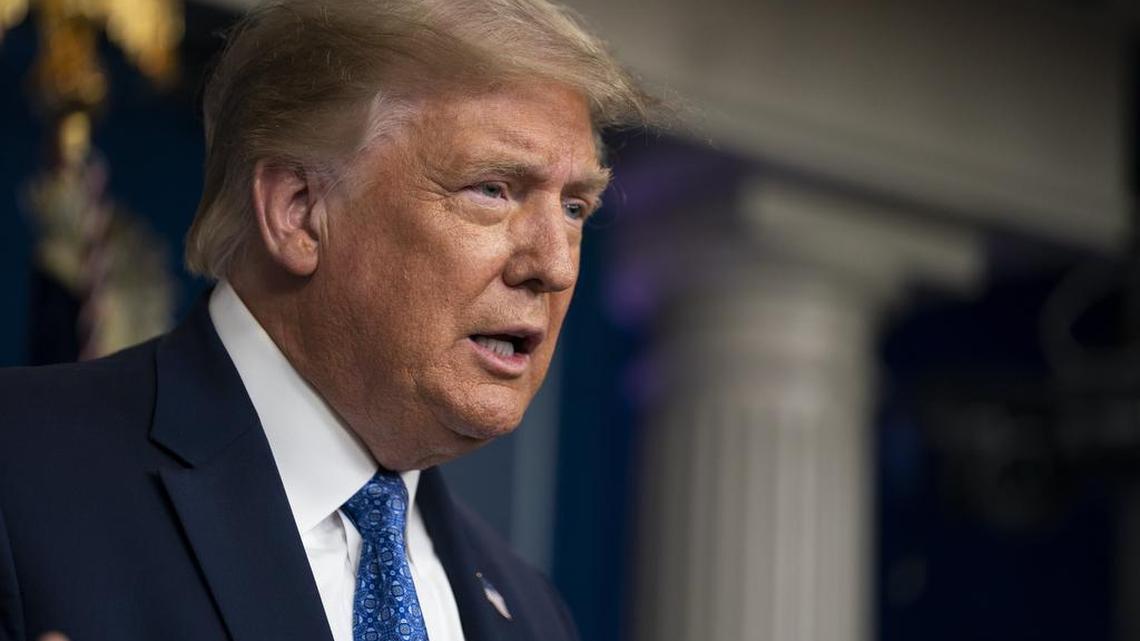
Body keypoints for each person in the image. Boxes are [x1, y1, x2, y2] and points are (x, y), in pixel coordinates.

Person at [0, 1, 656, 640]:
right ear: (298, 210)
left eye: (575, 207)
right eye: (493, 189)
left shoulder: (535, 613)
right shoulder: (22, 468)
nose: (556, 266)